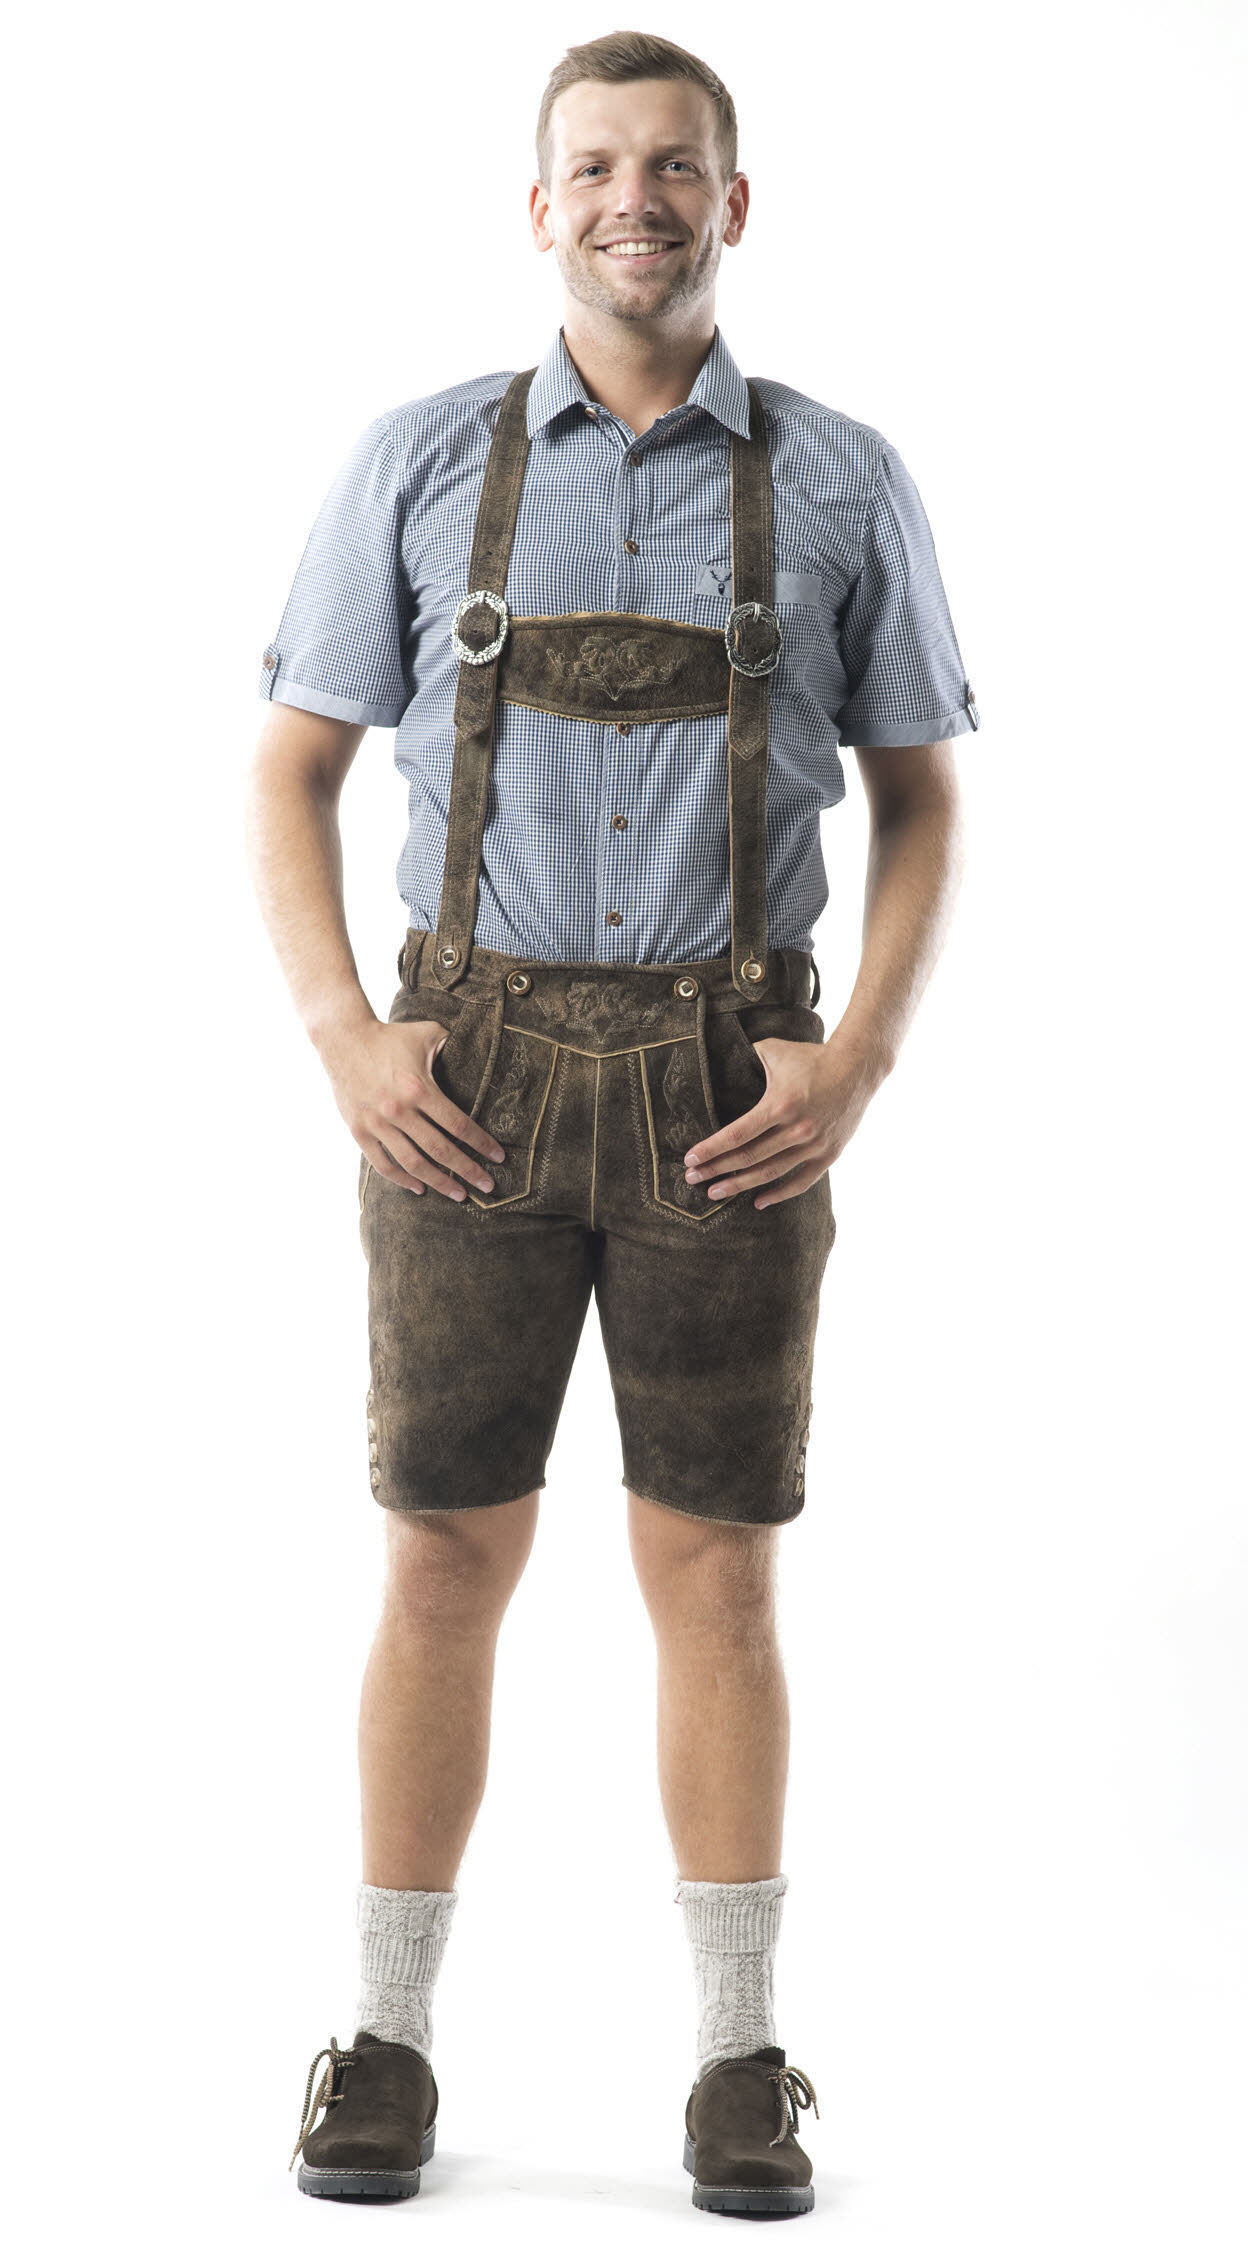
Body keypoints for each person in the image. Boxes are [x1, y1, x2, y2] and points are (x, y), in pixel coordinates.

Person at [249, 29, 978, 2218]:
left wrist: (858, 1060)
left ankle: (742, 2064)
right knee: (441, 1557)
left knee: (716, 1571)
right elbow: (289, 768)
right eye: (594, 167)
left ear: (732, 206)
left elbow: (925, 799)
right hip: (459, 1089)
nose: (633, 201)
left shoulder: (842, 477)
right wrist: (344, 1033)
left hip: (728, 1092)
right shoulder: (418, 461)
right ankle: (383, 2037)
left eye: (675, 168)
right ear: (538, 204)